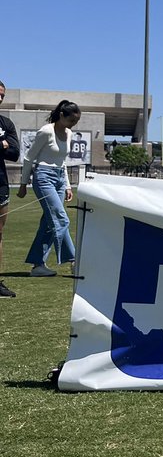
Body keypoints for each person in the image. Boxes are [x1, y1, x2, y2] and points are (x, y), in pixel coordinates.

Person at [18, 99, 81, 276]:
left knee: (49, 222)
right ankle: (74, 260)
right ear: (62, 115)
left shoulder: (68, 133)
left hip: (60, 178)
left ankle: (38, 265)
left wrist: (67, 185)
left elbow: (63, 161)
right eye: (71, 121)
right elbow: (29, 158)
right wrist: (23, 184)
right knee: (61, 219)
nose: (73, 124)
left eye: (76, 122)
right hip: (43, 177)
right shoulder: (46, 131)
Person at [0, 81, 20, 297]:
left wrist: (6, 144)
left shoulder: (6, 123)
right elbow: (6, 146)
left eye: (2, 95)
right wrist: (1, 144)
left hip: (0, 184)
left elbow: (14, 152)